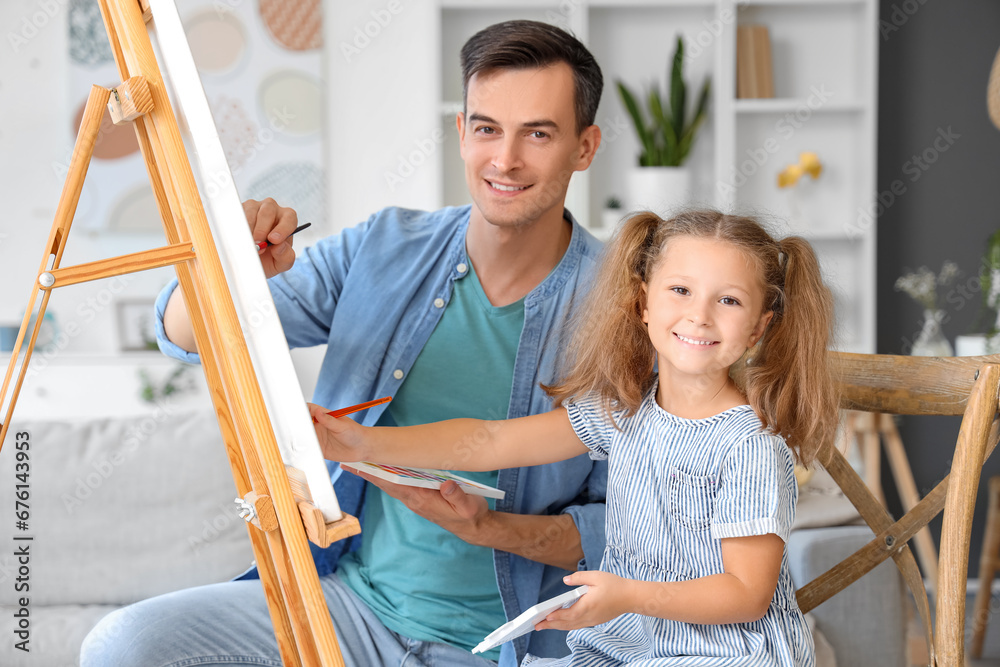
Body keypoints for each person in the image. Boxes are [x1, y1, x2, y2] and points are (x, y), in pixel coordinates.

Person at [81, 19, 608, 667]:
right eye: (486, 128)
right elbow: (185, 334)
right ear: (461, 132)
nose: (504, 159)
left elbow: (631, 529)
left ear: (585, 147)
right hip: (347, 607)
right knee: (123, 644)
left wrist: (490, 527)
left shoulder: (626, 306)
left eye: (538, 133)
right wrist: (231, 265)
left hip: (506, 642)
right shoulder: (385, 247)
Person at [310, 209, 839, 666]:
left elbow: (746, 595)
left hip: (726, 654)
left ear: (759, 327)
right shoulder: (628, 412)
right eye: (680, 290)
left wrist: (628, 595)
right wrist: (362, 445)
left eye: (729, 300)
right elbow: (492, 440)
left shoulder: (748, 445)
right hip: (634, 644)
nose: (698, 315)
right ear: (643, 303)